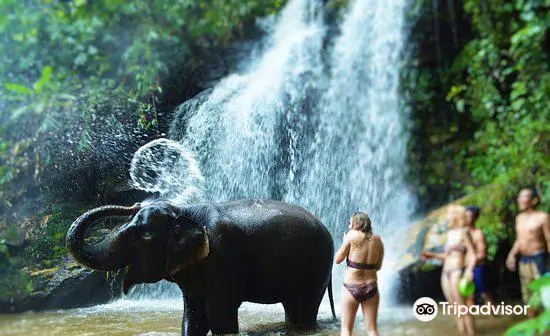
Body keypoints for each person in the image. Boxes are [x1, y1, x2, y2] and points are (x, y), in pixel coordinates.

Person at [422, 204, 477, 336]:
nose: (446, 216)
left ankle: (471, 333)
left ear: (456, 216)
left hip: (457, 270)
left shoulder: (464, 232)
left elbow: (473, 254)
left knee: (463, 307)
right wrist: (433, 256)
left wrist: (469, 271)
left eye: (448, 214)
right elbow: (447, 256)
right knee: (454, 308)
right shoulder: (450, 233)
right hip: (446, 271)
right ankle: (462, 332)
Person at [335, 212, 384, 336]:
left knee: (346, 330)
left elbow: (338, 259)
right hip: (371, 288)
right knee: (372, 330)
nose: (349, 225)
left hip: (351, 287)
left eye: (350, 222)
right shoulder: (378, 239)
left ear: (356, 223)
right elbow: (378, 266)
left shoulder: (351, 236)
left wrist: (344, 241)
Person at [505, 187, 550, 317]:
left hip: (539, 259)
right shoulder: (519, 218)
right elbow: (520, 239)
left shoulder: (543, 217)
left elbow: (548, 239)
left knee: (544, 294)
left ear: (534, 200)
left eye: (524, 197)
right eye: (520, 197)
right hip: (524, 260)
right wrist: (512, 254)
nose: (520, 200)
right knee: (528, 297)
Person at [464, 206, 495, 309]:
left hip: (478, 267)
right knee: (468, 296)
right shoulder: (461, 233)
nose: (467, 219)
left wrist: (470, 262)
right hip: (466, 268)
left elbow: (482, 254)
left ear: (475, 218)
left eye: (470, 216)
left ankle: (493, 316)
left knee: (485, 294)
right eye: (466, 216)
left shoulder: (478, 233)